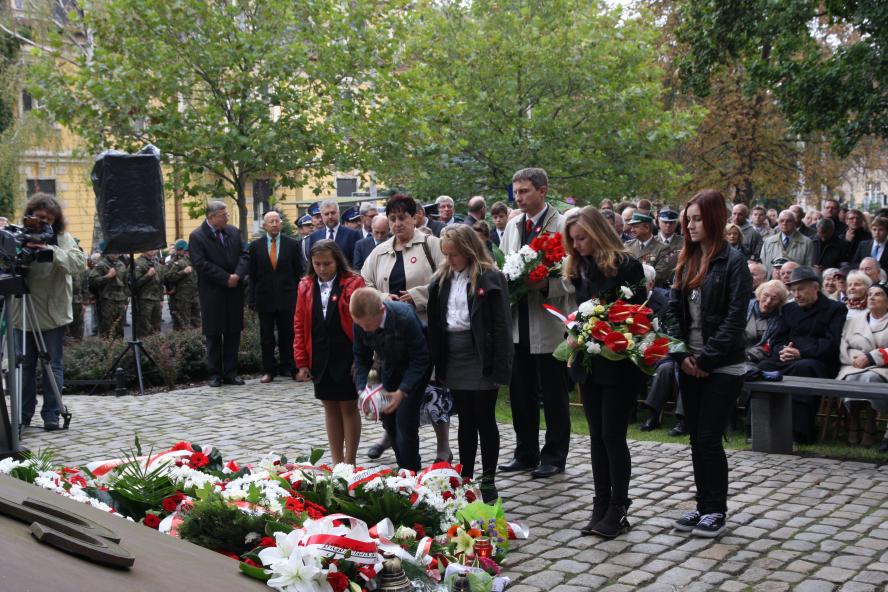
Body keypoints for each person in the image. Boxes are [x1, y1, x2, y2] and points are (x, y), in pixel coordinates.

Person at [667, 189, 752, 538]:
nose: (690, 226)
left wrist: (706, 358)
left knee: (708, 437)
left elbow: (735, 319)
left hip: (722, 365)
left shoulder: (733, 262)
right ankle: (703, 505)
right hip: (690, 362)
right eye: (687, 220)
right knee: (696, 439)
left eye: (697, 219)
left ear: (714, 219)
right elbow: (671, 311)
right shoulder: (686, 259)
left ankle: (716, 509)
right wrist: (682, 353)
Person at [560, 207, 647, 537]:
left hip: (619, 362)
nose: (577, 245)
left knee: (612, 435)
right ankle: (600, 503)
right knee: (596, 436)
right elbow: (580, 310)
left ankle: (618, 507)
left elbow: (639, 312)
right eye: (573, 240)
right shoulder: (580, 266)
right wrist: (575, 330)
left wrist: (603, 325)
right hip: (591, 362)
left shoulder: (627, 265)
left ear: (597, 233)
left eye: (582, 238)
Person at [360, 194, 450, 462]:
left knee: (433, 389)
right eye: (392, 219)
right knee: (394, 387)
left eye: (403, 218)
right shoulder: (380, 251)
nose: (397, 224)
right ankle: (392, 436)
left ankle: (443, 445)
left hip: (426, 330)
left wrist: (418, 295)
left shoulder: (431, 245)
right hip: (391, 336)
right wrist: (381, 298)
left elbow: (447, 277)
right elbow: (365, 283)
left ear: (415, 218)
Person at [498, 167, 575, 479]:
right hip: (518, 321)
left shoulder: (562, 224)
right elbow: (504, 264)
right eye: (516, 192)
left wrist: (545, 284)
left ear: (543, 191)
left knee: (554, 394)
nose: (518, 198)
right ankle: (525, 452)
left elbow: (573, 274)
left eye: (525, 191)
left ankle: (554, 455)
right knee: (521, 392)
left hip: (549, 320)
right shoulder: (513, 225)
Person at [427, 225, 512, 502]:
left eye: (454, 254)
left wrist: (501, 366)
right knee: (464, 419)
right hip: (454, 355)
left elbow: (501, 325)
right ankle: (466, 476)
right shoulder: (440, 280)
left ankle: (488, 479)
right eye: (446, 254)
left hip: (481, 355)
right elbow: (436, 324)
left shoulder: (490, 277)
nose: (449, 260)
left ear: (469, 251)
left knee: (484, 417)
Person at [12, 193, 86, 430]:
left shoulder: (62, 238)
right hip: (23, 313)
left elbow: (79, 263)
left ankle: (52, 414)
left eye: (48, 219)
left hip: (52, 313)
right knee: (24, 367)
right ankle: (23, 415)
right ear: (29, 215)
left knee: (52, 366)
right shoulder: (18, 236)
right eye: (38, 217)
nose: (42, 222)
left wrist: (50, 251)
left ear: (56, 220)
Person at [757, 266, 847, 443]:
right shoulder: (789, 309)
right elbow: (777, 339)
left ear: (816, 288)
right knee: (763, 368)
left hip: (818, 361)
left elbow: (831, 343)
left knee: (803, 368)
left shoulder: (835, 309)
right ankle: (761, 426)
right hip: (787, 359)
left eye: (801, 289)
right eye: (793, 290)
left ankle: (798, 431)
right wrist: (782, 351)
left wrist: (801, 353)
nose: (796, 295)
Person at [294, 240, 365, 464]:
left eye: (327, 264)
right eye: (317, 264)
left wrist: (360, 358)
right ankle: (336, 461)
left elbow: (361, 323)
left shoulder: (353, 282)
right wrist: (301, 361)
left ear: (337, 261)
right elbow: (299, 324)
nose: (322, 269)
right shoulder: (305, 285)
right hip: (319, 354)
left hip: (346, 352)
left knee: (348, 406)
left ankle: (350, 461)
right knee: (330, 406)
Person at [351, 287, 430, 471]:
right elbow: (361, 359)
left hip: (415, 368)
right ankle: (403, 466)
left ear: (381, 311)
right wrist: (363, 391)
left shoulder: (404, 317)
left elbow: (421, 358)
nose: (364, 329)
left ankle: (410, 470)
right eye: (359, 324)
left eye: (367, 325)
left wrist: (402, 392)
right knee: (388, 420)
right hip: (388, 366)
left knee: (405, 420)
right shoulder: (361, 322)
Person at [189, 200, 250, 387]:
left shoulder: (233, 231)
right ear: (211, 217)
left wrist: (237, 275)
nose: (227, 217)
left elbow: (245, 255)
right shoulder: (197, 236)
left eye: (227, 214)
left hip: (234, 289)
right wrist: (225, 278)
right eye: (224, 215)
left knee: (233, 332)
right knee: (214, 334)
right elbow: (200, 264)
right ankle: (215, 374)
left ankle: (231, 373)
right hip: (213, 292)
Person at [248, 210, 303, 383]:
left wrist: (300, 297)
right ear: (264, 225)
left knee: (289, 334)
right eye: (270, 222)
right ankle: (268, 370)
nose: (274, 224)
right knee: (266, 336)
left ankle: (290, 367)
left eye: (277, 221)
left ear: (281, 223)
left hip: (288, 297)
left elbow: (299, 272)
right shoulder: (255, 247)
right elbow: (252, 275)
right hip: (264, 298)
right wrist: (251, 299)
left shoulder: (292, 244)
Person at [838, 282, 888, 449]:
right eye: (870, 294)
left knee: (869, 378)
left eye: (878, 294)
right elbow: (843, 344)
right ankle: (854, 422)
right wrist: (855, 358)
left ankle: (870, 424)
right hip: (853, 364)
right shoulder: (853, 320)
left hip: (882, 367)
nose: (872, 297)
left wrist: (872, 357)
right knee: (850, 378)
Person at [625, 212, 674, 287]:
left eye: (635, 227)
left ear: (647, 228)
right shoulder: (628, 245)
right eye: (631, 227)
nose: (632, 230)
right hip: (628, 288)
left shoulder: (664, 249)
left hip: (652, 290)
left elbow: (660, 275)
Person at [88, 248, 128, 339]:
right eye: (113, 251)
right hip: (107, 301)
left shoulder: (121, 264)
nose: (116, 253)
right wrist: (108, 276)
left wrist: (126, 301)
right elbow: (92, 281)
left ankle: (119, 346)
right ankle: (106, 347)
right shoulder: (101, 265)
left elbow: (125, 284)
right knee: (107, 328)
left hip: (120, 300)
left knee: (119, 328)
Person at [760, 209, 815, 276]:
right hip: (773, 281)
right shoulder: (768, 242)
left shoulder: (807, 243)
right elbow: (763, 266)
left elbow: (809, 268)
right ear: (778, 222)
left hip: (796, 281)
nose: (784, 223)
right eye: (781, 221)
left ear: (795, 223)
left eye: (788, 221)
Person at [308, 199, 362, 266]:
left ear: (338, 213)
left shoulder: (352, 235)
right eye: (326, 214)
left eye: (333, 213)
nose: (330, 217)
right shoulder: (314, 236)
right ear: (322, 216)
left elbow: (356, 262)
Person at [164, 240, 200, 330]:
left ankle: (197, 336)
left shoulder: (196, 262)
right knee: (183, 322)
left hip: (195, 295)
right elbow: (168, 277)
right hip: (182, 296)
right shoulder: (178, 262)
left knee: (197, 321)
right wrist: (183, 272)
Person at [132, 249, 164, 337]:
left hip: (156, 299)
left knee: (157, 327)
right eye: (150, 248)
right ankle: (144, 345)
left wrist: (161, 299)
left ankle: (155, 345)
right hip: (144, 299)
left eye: (154, 248)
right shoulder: (137, 263)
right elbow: (134, 284)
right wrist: (148, 275)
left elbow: (160, 283)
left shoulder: (156, 263)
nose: (153, 250)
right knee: (144, 328)